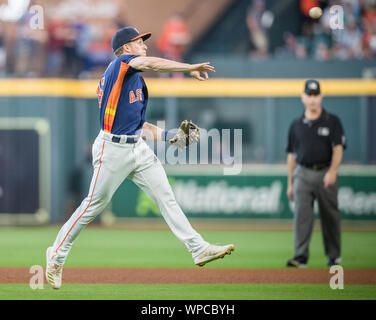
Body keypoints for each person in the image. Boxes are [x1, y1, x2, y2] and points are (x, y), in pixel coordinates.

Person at [45, 26, 234, 289]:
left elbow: (140, 125)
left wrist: (172, 136)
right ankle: (56, 254)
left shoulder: (136, 83)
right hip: (112, 149)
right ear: (125, 49)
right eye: (138, 42)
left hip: (137, 147)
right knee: (92, 206)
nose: (144, 45)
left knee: (166, 197)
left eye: (143, 41)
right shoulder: (121, 65)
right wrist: (188, 67)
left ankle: (198, 248)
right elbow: (152, 63)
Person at [286, 79, 346, 268]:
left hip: (325, 172)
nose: (312, 99)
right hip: (302, 173)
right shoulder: (296, 124)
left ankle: (334, 256)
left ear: (321, 97)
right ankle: (301, 256)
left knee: (330, 216)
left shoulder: (332, 120)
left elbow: (338, 147)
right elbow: (291, 155)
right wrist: (290, 182)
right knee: (302, 216)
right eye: (309, 95)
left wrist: (333, 171)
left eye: (316, 95)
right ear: (303, 98)